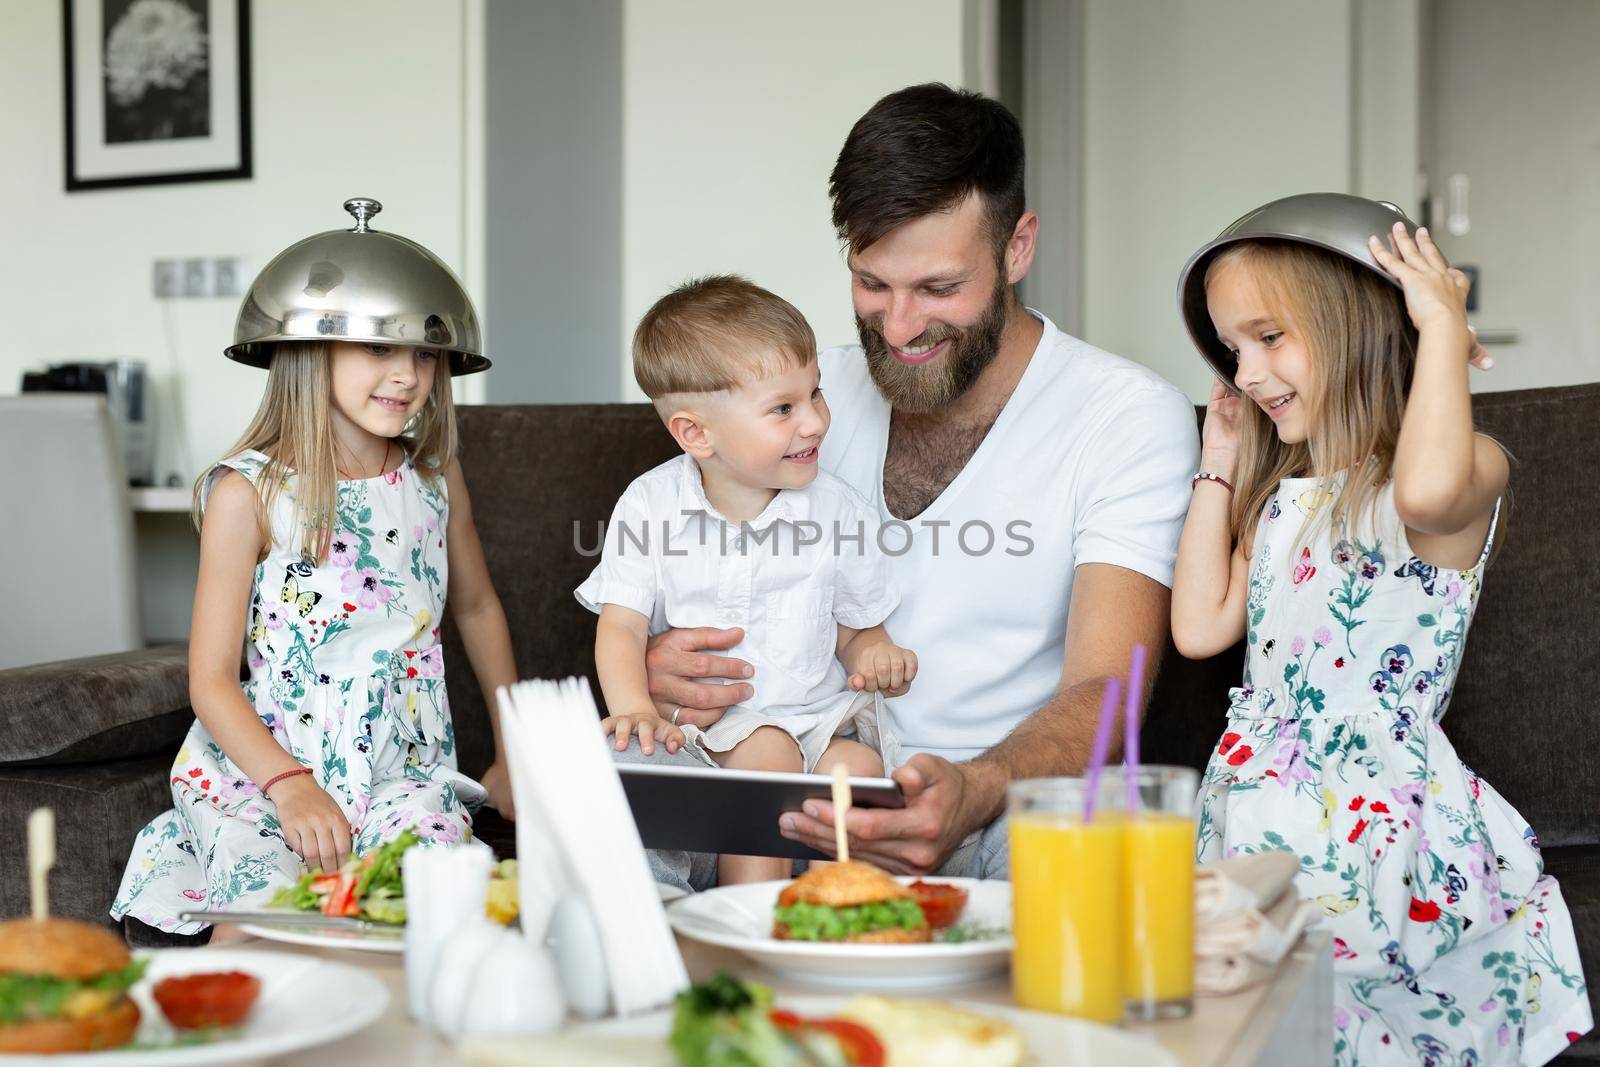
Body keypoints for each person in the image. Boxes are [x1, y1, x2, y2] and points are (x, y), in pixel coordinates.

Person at [624, 84, 1198, 885]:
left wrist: (977, 788)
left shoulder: (1127, 416)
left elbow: (1110, 688)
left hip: (993, 806)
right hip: (786, 779)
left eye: (937, 289)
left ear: (1019, 247)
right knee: (600, 842)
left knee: (1094, 850)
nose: (897, 327)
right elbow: (684, 558)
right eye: (871, 283)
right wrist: (666, 658)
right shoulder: (792, 399)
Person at [1171, 194, 1591, 1063]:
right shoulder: (1285, 497)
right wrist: (1219, 466)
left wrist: (1439, 324)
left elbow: (1425, 491)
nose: (1247, 372)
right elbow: (1199, 626)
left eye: (1269, 338)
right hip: (1252, 809)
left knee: (1354, 1025)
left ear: (1356, 327)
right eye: (1233, 349)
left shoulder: (1461, 473)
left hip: (1375, 818)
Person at [112, 199, 518, 937]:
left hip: (404, 768)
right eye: (379, 349)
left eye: (424, 354)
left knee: (436, 901)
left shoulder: (436, 477)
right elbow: (209, 680)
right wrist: (291, 786)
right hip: (265, 767)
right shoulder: (249, 493)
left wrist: (519, 747)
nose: (408, 375)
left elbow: (479, 607)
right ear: (311, 349)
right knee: (262, 909)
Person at [578, 275, 917, 884]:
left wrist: (878, 654)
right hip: (719, 737)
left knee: (862, 772)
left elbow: (856, 631)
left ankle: (843, 910)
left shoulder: (837, 510)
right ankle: (743, 916)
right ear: (695, 434)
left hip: (817, 722)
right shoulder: (651, 504)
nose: (814, 422)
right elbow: (622, 627)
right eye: (783, 409)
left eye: (816, 395)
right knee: (766, 755)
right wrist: (635, 709)